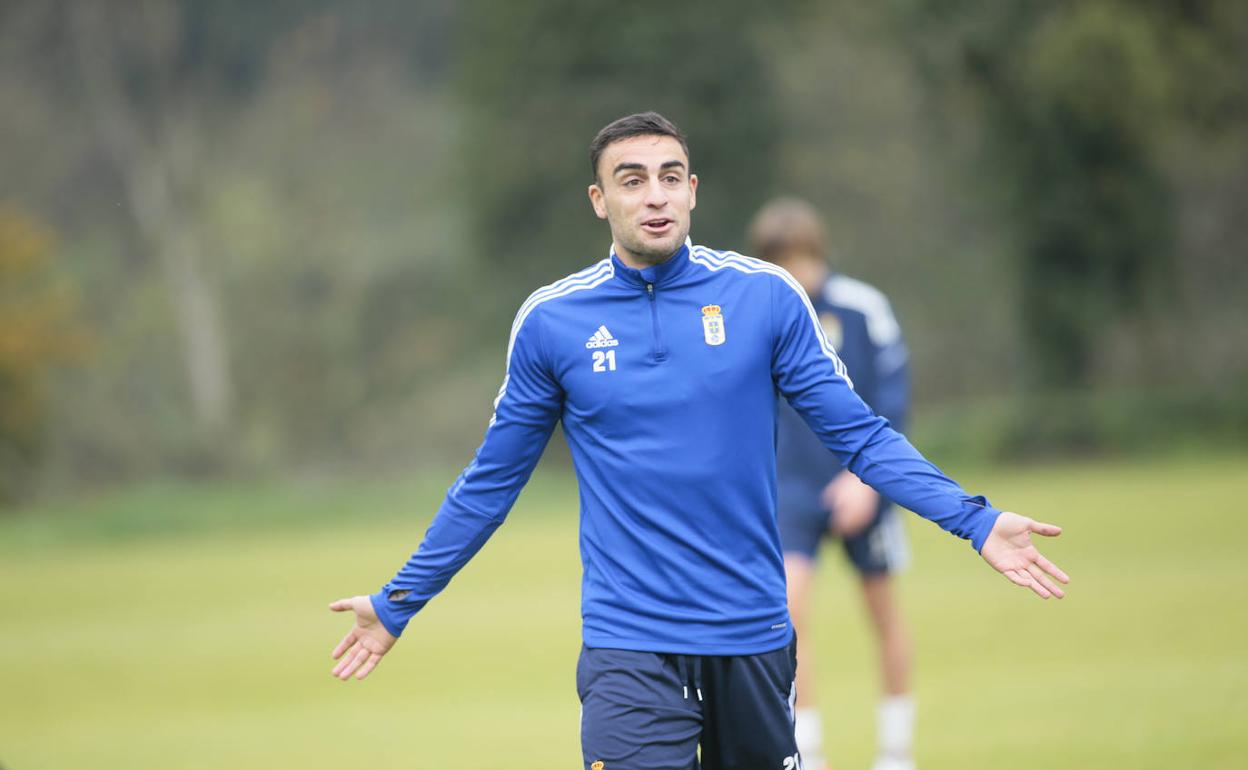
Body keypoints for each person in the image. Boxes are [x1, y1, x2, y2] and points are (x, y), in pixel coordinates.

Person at [327, 112, 1069, 770]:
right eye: (632, 179)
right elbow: (490, 483)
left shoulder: (766, 297)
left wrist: (974, 520)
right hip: (629, 641)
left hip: (750, 635)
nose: (654, 195)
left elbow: (863, 438)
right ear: (600, 200)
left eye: (670, 177)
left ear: (692, 192)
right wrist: (399, 601)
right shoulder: (553, 322)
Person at [750, 198, 917, 770]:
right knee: (789, 618)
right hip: (790, 490)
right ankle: (809, 751)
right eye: (778, 261)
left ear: (817, 253)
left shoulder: (863, 308)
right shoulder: (760, 313)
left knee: (885, 616)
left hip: (863, 485)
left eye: (799, 259)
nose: (793, 272)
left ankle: (895, 750)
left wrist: (865, 481)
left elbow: (893, 399)